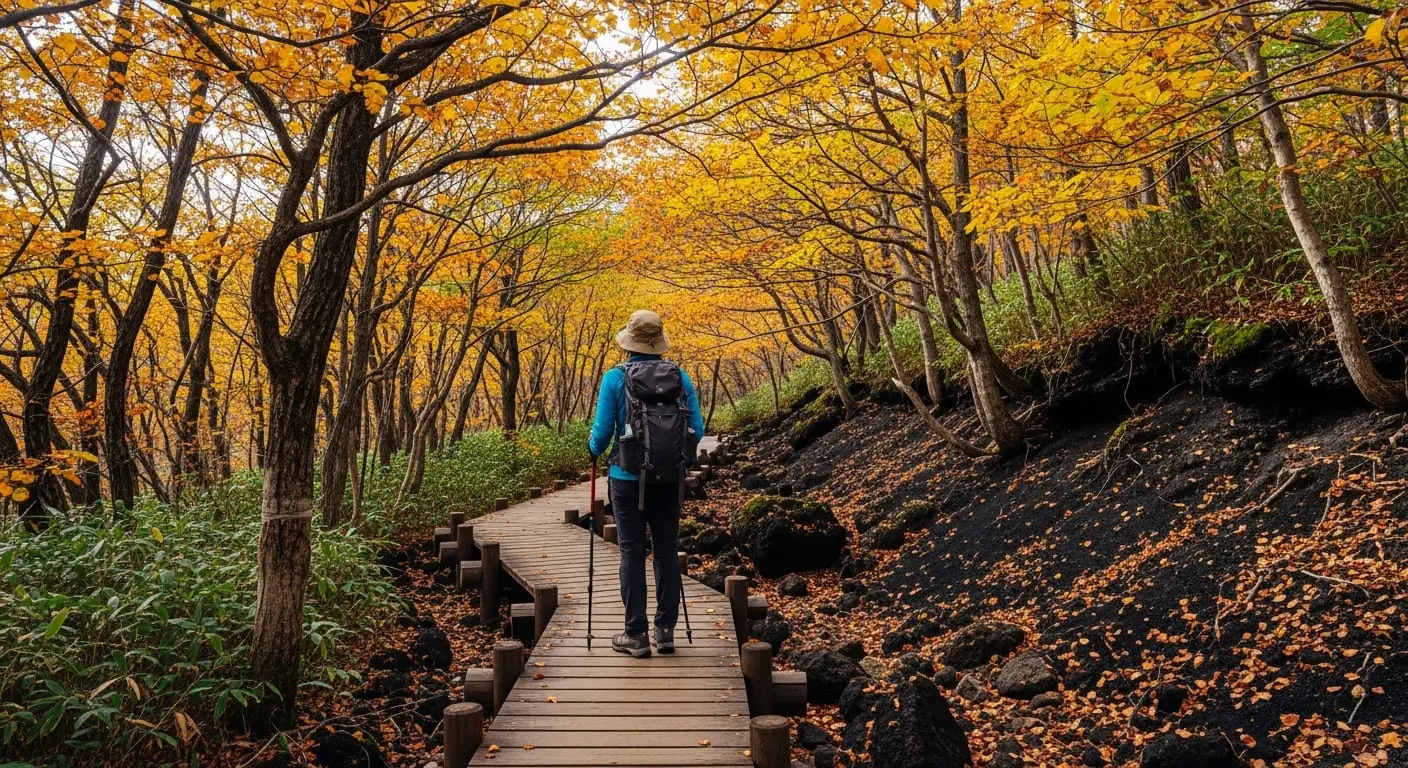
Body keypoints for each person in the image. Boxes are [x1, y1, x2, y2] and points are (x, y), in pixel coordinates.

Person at [588, 310, 705, 658]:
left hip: (626, 478)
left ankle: (635, 635)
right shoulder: (680, 377)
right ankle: (665, 631)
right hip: (669, 479)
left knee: (631, 550)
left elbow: (602, 433)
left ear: (629, 343)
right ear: (659, 344)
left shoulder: (614, 379)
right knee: (666, 549)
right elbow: (696, 431)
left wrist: (593, 450)